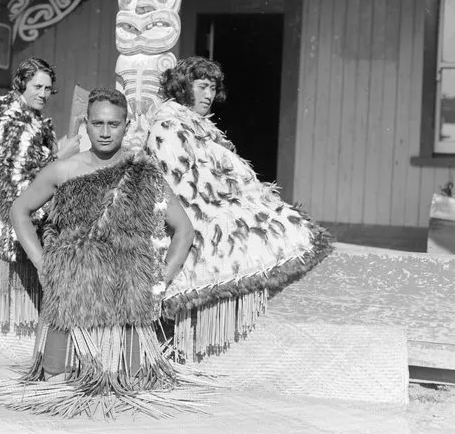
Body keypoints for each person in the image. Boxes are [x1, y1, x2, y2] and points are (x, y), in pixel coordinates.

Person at [0, 88, 211, 418]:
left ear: (127, 125)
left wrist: (159, 280)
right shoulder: (63, 170)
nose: (105, 132)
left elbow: (185, 230)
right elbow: (19, 210)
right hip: (70, 295)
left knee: (134, 384)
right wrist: (42, 263)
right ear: (85, 124)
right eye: (97, 123)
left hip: (126, 298)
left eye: (113, 124)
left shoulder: (144, 172)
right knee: (56, 381)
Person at [141, 56, 334, 359]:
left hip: (214, 207)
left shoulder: (199, 127)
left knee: (283, 226)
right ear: (182, 87)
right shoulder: (168, 127)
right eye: (202, 86)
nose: (208, 95)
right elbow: (185, 183)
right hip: (189, 218)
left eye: (213, 88)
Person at [0, 57, 80, 335]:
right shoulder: (15, 122)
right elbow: (21, 180)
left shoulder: (31, 119)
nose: (43, 94)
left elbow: (34, 165)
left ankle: (40, 328)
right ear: (22, 83)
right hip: (16, 219)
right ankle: (38, 330)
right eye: (37, 86)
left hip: (26, 213)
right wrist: (62, 156)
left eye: (48, 89)